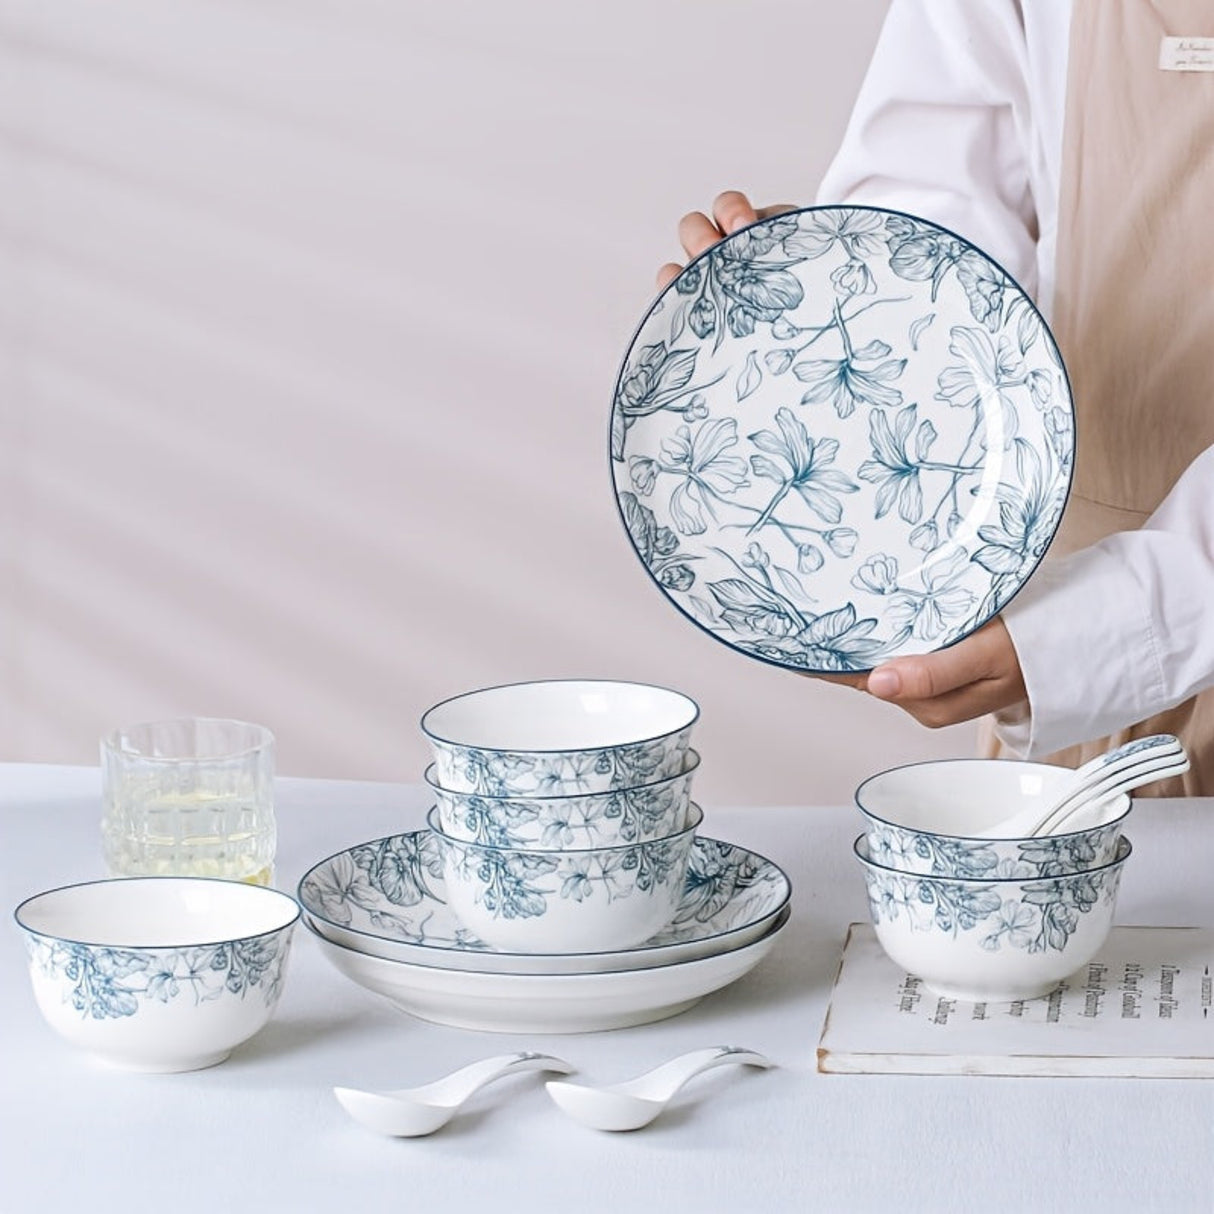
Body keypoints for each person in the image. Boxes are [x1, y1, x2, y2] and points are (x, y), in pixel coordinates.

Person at [657, 0, 1214, 794]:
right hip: (1080, 702)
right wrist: (855, 289)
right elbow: (938, 190)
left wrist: (1100, 633)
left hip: (1079, 642)